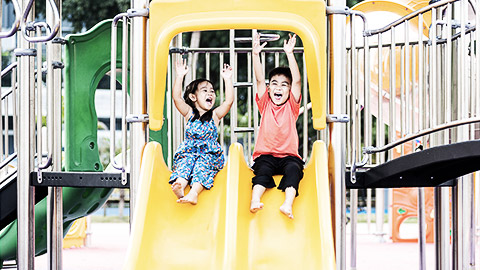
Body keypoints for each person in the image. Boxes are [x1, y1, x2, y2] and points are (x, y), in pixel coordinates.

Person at [249, 33, 304, 219]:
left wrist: (289, 53)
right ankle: (255, 199)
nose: (278, 88)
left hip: (289, 157)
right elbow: (258, 80)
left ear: (290, 91)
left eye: (284, 85)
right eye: (274, 84)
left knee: (294, 172)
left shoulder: (292, 106)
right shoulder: (265, 104)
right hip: (266, 155)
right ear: (269, 88)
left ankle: (287, 204)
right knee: (262, 172)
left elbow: (297, 80)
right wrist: (255, 55)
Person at [169, 58, 233, 205]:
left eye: (212, 91)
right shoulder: (189, 113)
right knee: (185, 163)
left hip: (209, 156)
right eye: (205, 91)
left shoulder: (215, 115)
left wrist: (228, 80)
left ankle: (193, 193)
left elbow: (228, 101)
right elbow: (176, 98)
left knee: (201, 167)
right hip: (189, 152)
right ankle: (180, 186)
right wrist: (179, 76)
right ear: (193, 97)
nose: (210, 93)